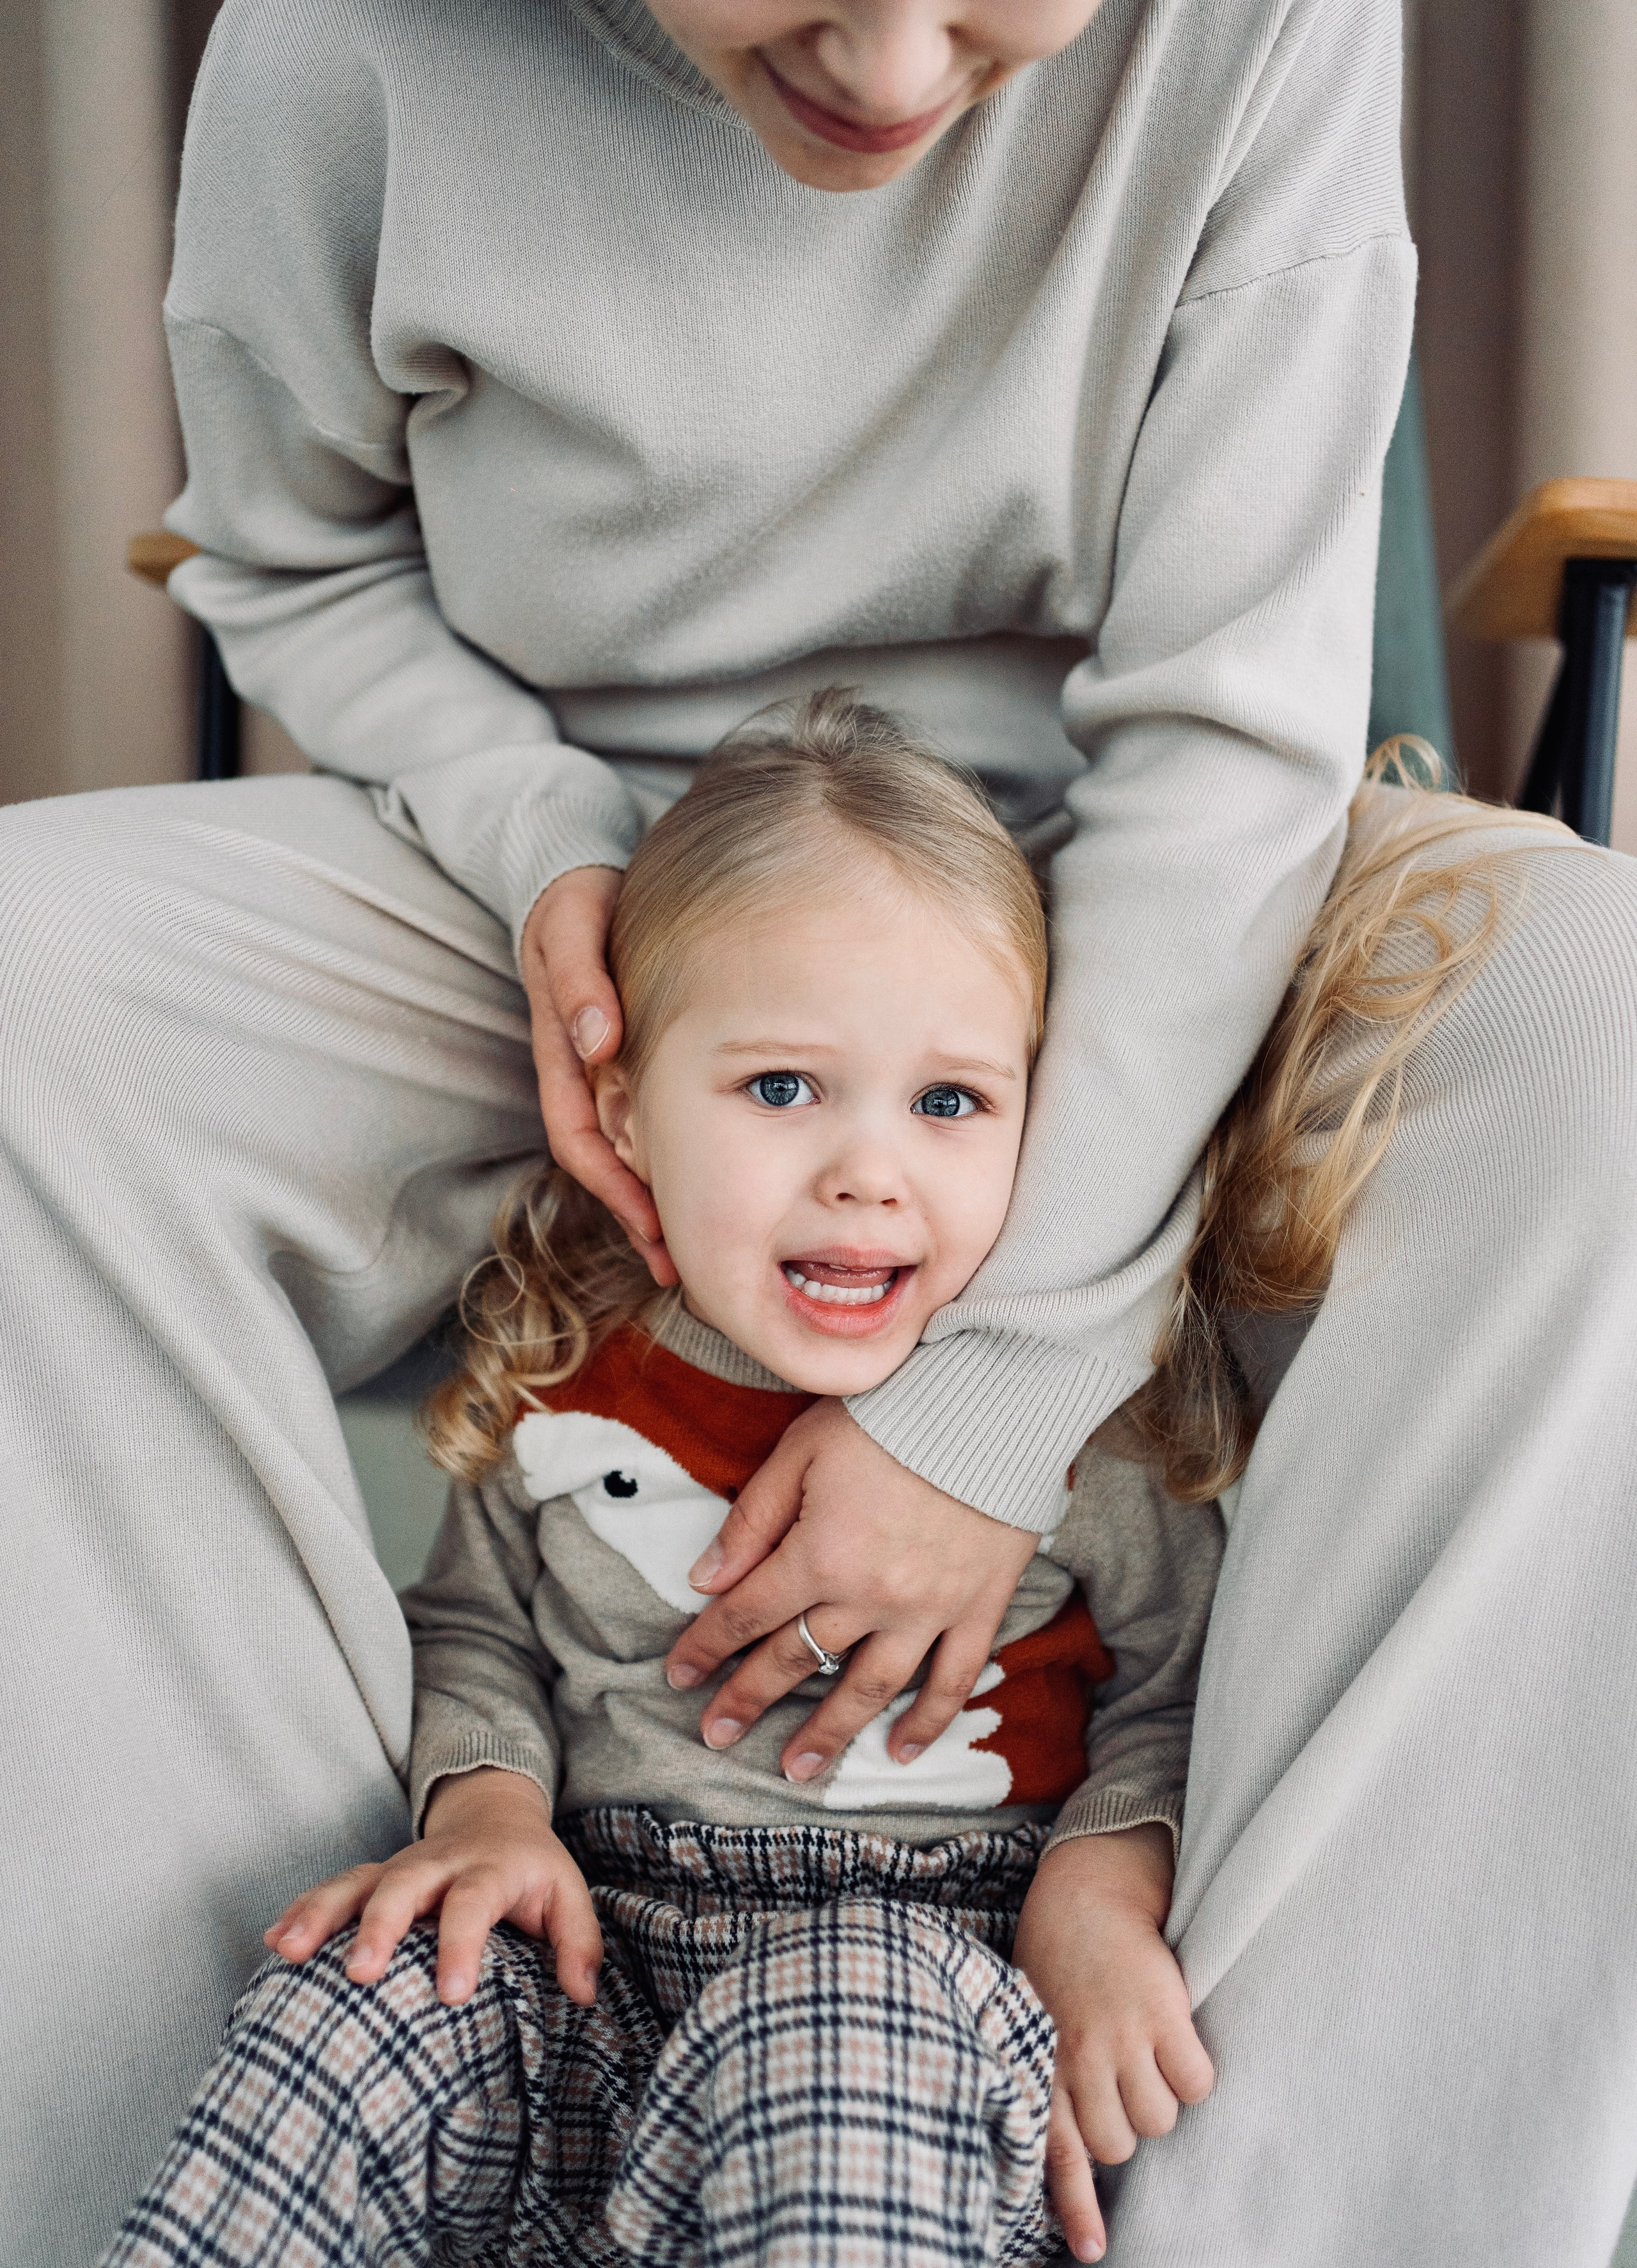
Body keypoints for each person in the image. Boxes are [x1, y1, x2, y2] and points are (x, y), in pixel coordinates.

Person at [3, 0, 1635, 2259]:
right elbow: (299, 558)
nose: (894, 61)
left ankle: (1254, 2197)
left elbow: (1225, 746)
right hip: (565, 877)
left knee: (1602, 1020)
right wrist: (560, 854)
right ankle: (346, 2090)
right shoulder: (353, 27)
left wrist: (993, 1389)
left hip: (1125, 863)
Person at [104, 695, 1225, 2267]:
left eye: (949, 1101)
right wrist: (488, 1816)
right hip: (588, 1963)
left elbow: (1180, 1692)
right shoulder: (569, 1361)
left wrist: (1099, 1889)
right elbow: (480, 1632)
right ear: (624, 1109)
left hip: (909, 1987)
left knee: (840, 2022)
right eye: (781, 1090)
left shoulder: (1070, 1424)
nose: (866, 1168)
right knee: (356, 1987)